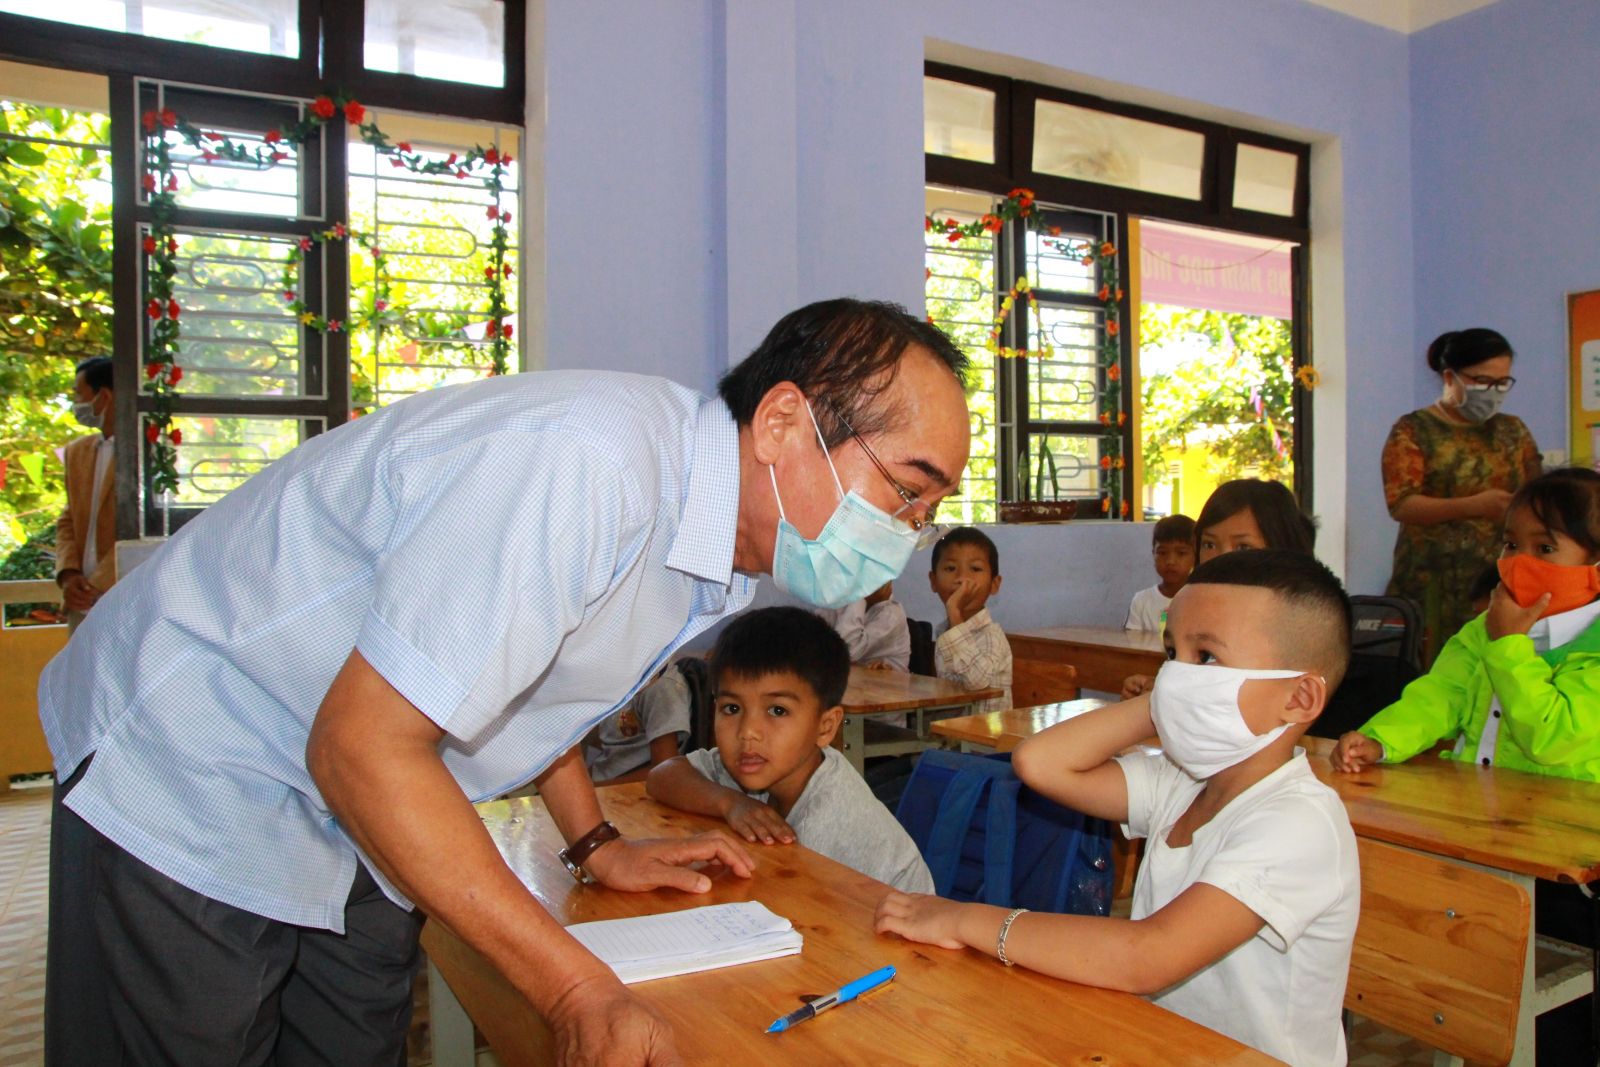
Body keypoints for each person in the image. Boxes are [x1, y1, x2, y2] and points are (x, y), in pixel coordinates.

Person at [41, 297, 972, 1066]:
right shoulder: (589, 467)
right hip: (203, 751)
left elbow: (523, 680)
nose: (911, 529)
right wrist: (573, 988)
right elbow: (362, 743)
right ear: (782, 423)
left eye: (929, 508)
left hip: (359, 799)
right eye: (907, 489)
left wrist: (594, 840)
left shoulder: (709, 540)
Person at [876, 549, 1358, 1067]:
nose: (1176, 674)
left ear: (1299, 698)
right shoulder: (1183, 781)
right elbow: (1041, 763)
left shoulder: (1298, 823)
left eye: (1206, 658)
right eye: (1171, 653)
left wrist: (964, 920)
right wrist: (1163, 701)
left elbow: (1146, 956)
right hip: (1159, 1045)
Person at [1333, 467, 1600, 782]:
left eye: (1545, 548)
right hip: (1475, 798)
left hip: (1563, 809)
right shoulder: (1485, 628)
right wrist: (1381, 740)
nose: (1519, 562)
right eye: (1511, 544)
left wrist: (1508, 645)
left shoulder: (1585, 645)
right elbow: (1441, 694)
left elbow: (1554, 738)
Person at [647, 606, 934, 893]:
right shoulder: (753, 765)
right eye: (732, 708)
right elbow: (662, 775)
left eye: (777, 710)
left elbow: (805, 909)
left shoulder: (831, 821)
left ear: (825, 727)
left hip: (886, 917)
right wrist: (729, 803)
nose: (748, 731)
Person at [1382, 328, 1541, 661]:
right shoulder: (1414, 429)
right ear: (1450, 377)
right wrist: (1474, 506)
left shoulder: (1513, 430)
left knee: (1498, 662)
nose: (1493, 392)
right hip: (1433, 578)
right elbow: (1402, 504)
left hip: (1500, 578)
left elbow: (1537, 492)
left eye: (1502, 383)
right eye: (1482, 381)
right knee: (1436, 665)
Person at [1122, 479, 1314, 698]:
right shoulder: (1195, 611)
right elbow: (1188, 680)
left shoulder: (1296, 622)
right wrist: (1155, 691)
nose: (1222, 558)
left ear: (1280, 548)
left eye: (1243, 547)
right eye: (1209, 544)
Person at [54, 356, 117, 628]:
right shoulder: (76, 451)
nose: (75, 404)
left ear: (104, 396)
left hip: (120, 597)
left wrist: (95, 585)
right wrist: (69, 576)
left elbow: (145, 529)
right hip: (79, 602)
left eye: (79, 394)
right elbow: (68, 520)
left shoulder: (148, 452)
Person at [929, 526, 1012, 713]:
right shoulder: (944, 631)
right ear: (933, 581)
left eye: (975, 569)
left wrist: (954, 611)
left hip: (985, 730)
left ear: (994, 584)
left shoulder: (991, 636)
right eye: (951, 568)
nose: (962, 579)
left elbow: (977, 681)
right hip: (952, 729)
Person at [583, 661, 696, 786]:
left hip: (625, 789)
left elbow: (665, 772)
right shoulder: (622, 681)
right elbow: (611, 751)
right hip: (603, 779)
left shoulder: (662, 688)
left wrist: (595, 787)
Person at [1126, 514, 1196, 632]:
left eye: (1181, 553)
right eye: (1162, 553)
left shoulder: (1202, 600)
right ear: (1153, 554)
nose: (1170, 561)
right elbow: (1132, 640)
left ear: (1196, 556)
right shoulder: (1141, 601)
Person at [821, 580, 910, 671]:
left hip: (887, 679)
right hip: (850, 675)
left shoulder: (892, 614)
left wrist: (859, 596)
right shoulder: (843, 601)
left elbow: (847, 652)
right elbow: (818, 638)